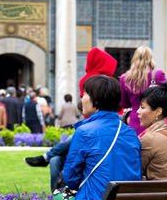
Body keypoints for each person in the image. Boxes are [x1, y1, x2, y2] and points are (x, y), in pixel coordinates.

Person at [25, 48, 118, 189]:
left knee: (72, 140)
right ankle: (54, 191)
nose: (82, 98)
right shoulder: (128, 133)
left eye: (84, 94)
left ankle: (47, 157)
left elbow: (71, 176)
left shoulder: (94, 81)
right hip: (115, 194)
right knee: (57, 159)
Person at [119, 46, 167, 131]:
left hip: (135, 119)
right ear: (150, 58)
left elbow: (124, 104)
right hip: (155, 120)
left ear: (134, 58)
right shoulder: (157, 75)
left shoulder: (125, 78)